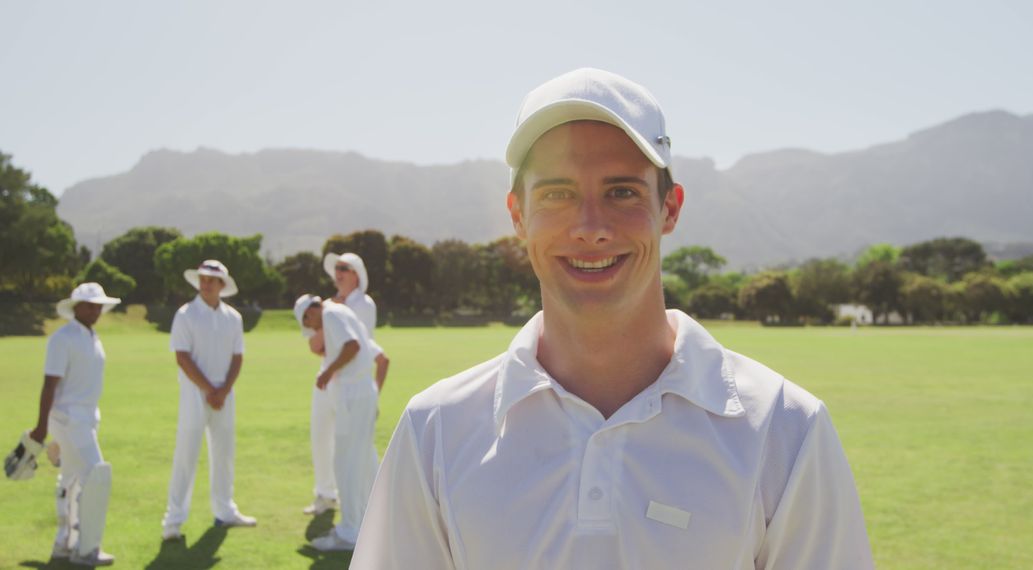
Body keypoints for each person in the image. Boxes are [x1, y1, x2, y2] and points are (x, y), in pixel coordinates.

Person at [352, 68, 874, 568]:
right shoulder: (437, 428)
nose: (591, 227)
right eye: (558, 194)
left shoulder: (783, 428)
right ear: (517, 215)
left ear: (670, 209)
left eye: (621, 192)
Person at [24, 283, 121, 566]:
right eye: (89, 305)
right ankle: (86, 549)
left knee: (72, 480)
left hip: (85, 419)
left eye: (98, 305)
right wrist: (41, 428)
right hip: (69, 419)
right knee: (97, 477)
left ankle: (64, 544)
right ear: (75, 307)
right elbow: (49, 385)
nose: (95, 310)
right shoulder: (62, 338)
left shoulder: (92, 337)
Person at [162, 260, 256, 540]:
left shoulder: (233, 318)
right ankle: (173, 521)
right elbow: (182, 356)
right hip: (194, 394)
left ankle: (225, 510)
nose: (206, 284)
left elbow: (238, 357)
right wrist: (208, 389)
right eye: (203, 279)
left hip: (224, 395)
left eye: (212, 280)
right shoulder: (186, 314)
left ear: (222, 285)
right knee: (186, 454)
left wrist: (223, 389)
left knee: (224, 454)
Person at [293, 294, 383, 551]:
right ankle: (369, 520)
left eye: (309, 322)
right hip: (359, 392)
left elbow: (352, 346)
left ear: (310, 312)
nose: (313, 328)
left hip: (353, 395)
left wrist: (328, 370)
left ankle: (350, 531)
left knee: (346, 462)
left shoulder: (330, 314)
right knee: (362, 458)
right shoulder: (340, 311)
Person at [303, 253, 389, 516]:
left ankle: (376, 500)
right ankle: (326, 494)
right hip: (329, 380)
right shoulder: (327, 305)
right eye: (336, 268)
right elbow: (315, 344)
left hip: (352, 383)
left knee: (358, 444)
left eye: (344, 268)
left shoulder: (364, 304)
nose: (338, 273)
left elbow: (354, 344)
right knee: (321, 435)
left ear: (357, 274)